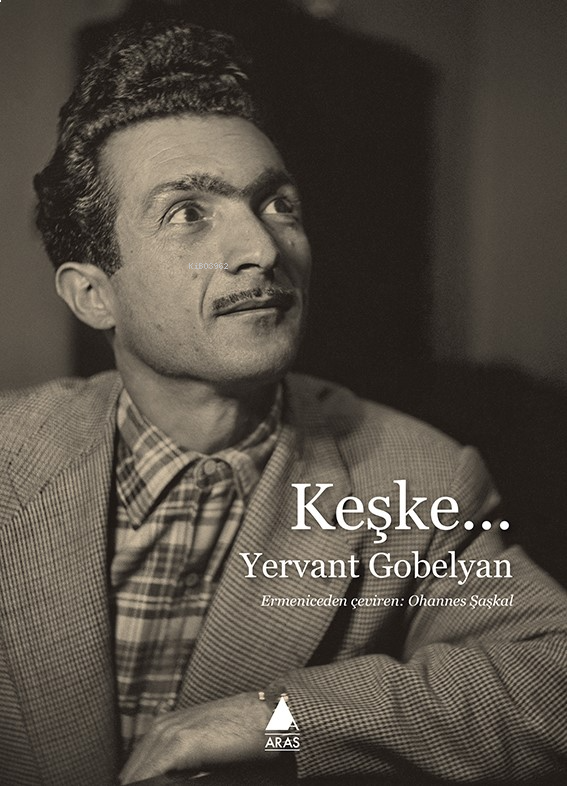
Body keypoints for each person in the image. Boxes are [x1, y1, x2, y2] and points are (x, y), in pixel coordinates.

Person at [0, 21, 565, 786]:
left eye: (276, 204)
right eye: (188, 212)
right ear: (94, 294)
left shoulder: (420, 480)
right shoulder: (9, 460)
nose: (264, 251)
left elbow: (551, 687)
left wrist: (283, 718)